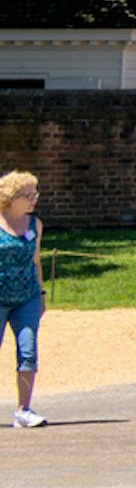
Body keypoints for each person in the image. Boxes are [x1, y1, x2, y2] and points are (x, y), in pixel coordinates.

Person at [0, 169, 42, 428]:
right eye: (27, 195)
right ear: (10, 197)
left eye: (34, 194)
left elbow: (36, 260)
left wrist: (42, 293)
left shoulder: (35, 224)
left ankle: (24, 409)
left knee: (28, 351)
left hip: (27, 297)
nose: (33, 199)